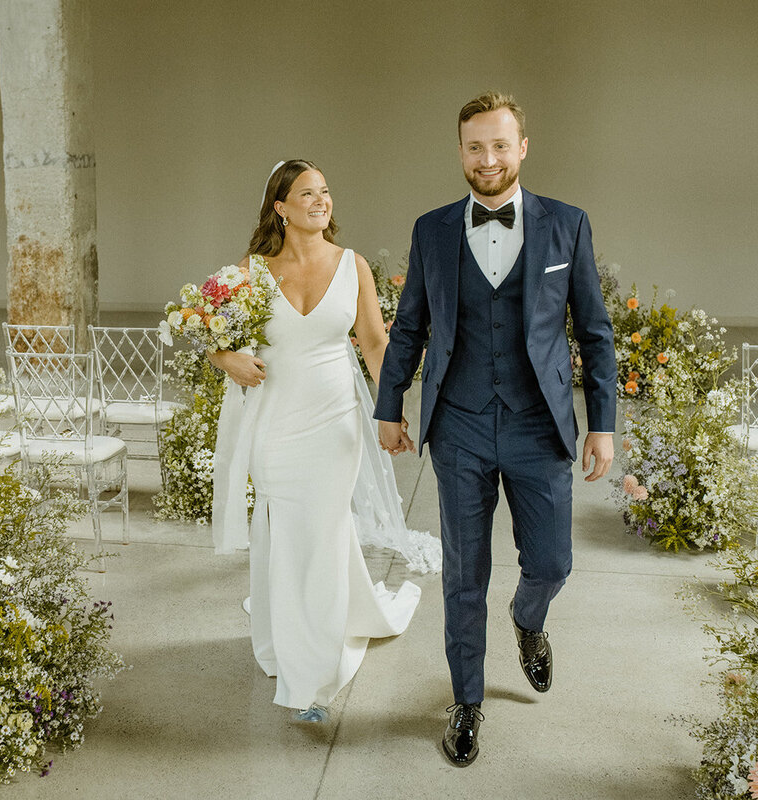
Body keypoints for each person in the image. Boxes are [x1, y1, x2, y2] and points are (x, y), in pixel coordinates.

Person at [375, 92, 617, 766]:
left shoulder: (566, 224)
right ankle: (467, 701)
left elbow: (594, 332)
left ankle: (528, 621)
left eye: (500, 145)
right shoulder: (431, 230)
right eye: (475, 147)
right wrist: (388, 406)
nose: (488, 159)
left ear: (522, 148)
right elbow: (410, 328)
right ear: (461, 152)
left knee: (551, 563)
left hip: (541, 427)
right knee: (462, 575)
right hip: (459, 427)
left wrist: (603, 425)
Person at [209, 159, 427, 723]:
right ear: (280, 208)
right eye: (307, 194)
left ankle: (313, 678)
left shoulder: (353, 266)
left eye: (325, 192)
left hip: (335, 423)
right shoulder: (250, 273)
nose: (321, 201)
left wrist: (393, 411)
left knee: (326, 528)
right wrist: (227, 358)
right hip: (275, 424)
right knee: (288, 528)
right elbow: (213, 337)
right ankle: (296, 640)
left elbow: (376, 345)